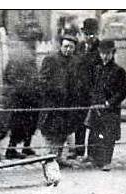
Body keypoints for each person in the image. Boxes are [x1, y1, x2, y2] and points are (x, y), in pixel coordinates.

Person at [0, 41, 41, 160]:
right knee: (17, 126)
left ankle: (25, 147)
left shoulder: (26, 60)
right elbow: (12, 79)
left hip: (28, 98)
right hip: (19, 99)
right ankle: (9, 150)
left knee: (29, 125)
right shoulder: (20, 61)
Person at [85, 40, 126, 171]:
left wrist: (110, 102)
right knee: (94, 133)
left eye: (108, 53)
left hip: (110, 109)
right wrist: (93, 100)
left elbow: (124, 90)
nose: (105, 56)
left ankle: (106, 161)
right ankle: (93, 158)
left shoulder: (118, 70)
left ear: (113, 53)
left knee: (108, 136)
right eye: (102, 53)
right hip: (97, 106)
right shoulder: (96, 69)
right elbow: (92, 86)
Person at [38, 35, 82, 166]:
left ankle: (58, 159)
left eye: (71, 47)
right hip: (53, 104)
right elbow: (42, 80)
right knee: (52, 133)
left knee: (63, 132)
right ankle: (49, 161)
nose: (68, 49)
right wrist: (53, 91)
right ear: (61, 46)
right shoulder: (51, 59)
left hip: (68, 105)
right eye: (66, 46)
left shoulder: (76, 61)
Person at [70, 17, 101, 159]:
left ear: (97, 33)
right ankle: (79, 150)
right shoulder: (79, 47)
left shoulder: (101, 48)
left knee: (94, 122)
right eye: (86, 34)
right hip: (80, 91)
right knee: (79, 122)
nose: (89, 37)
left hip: (94, 91)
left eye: (92, 34)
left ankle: (92, 153)